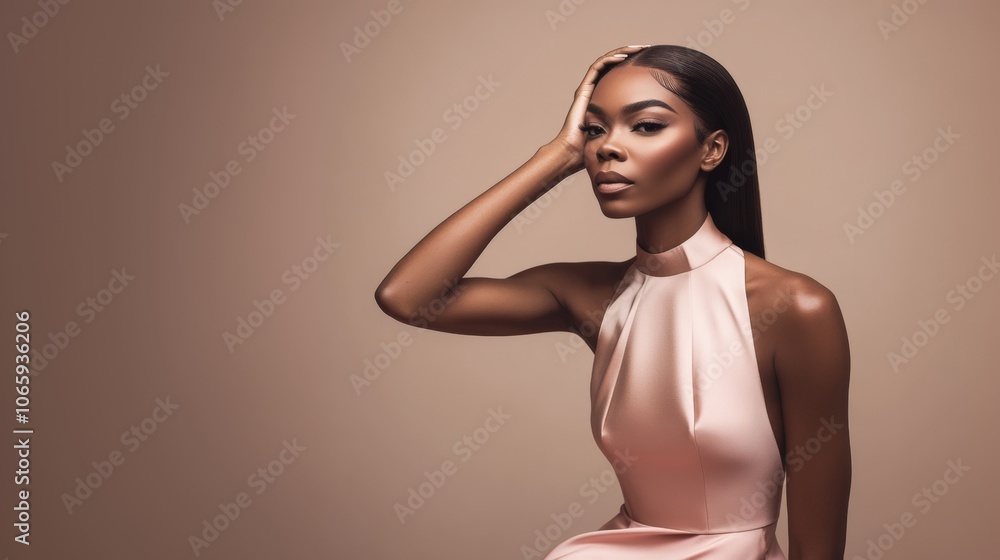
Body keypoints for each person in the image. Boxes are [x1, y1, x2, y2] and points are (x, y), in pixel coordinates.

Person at [374, 44, 851, 559]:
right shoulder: (588, 295)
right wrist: (554, 157)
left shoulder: (796, 309)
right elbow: (407, 297)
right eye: (595, 129)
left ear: (711, 150)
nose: (606, 148)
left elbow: (818, 546)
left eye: (645, 126)